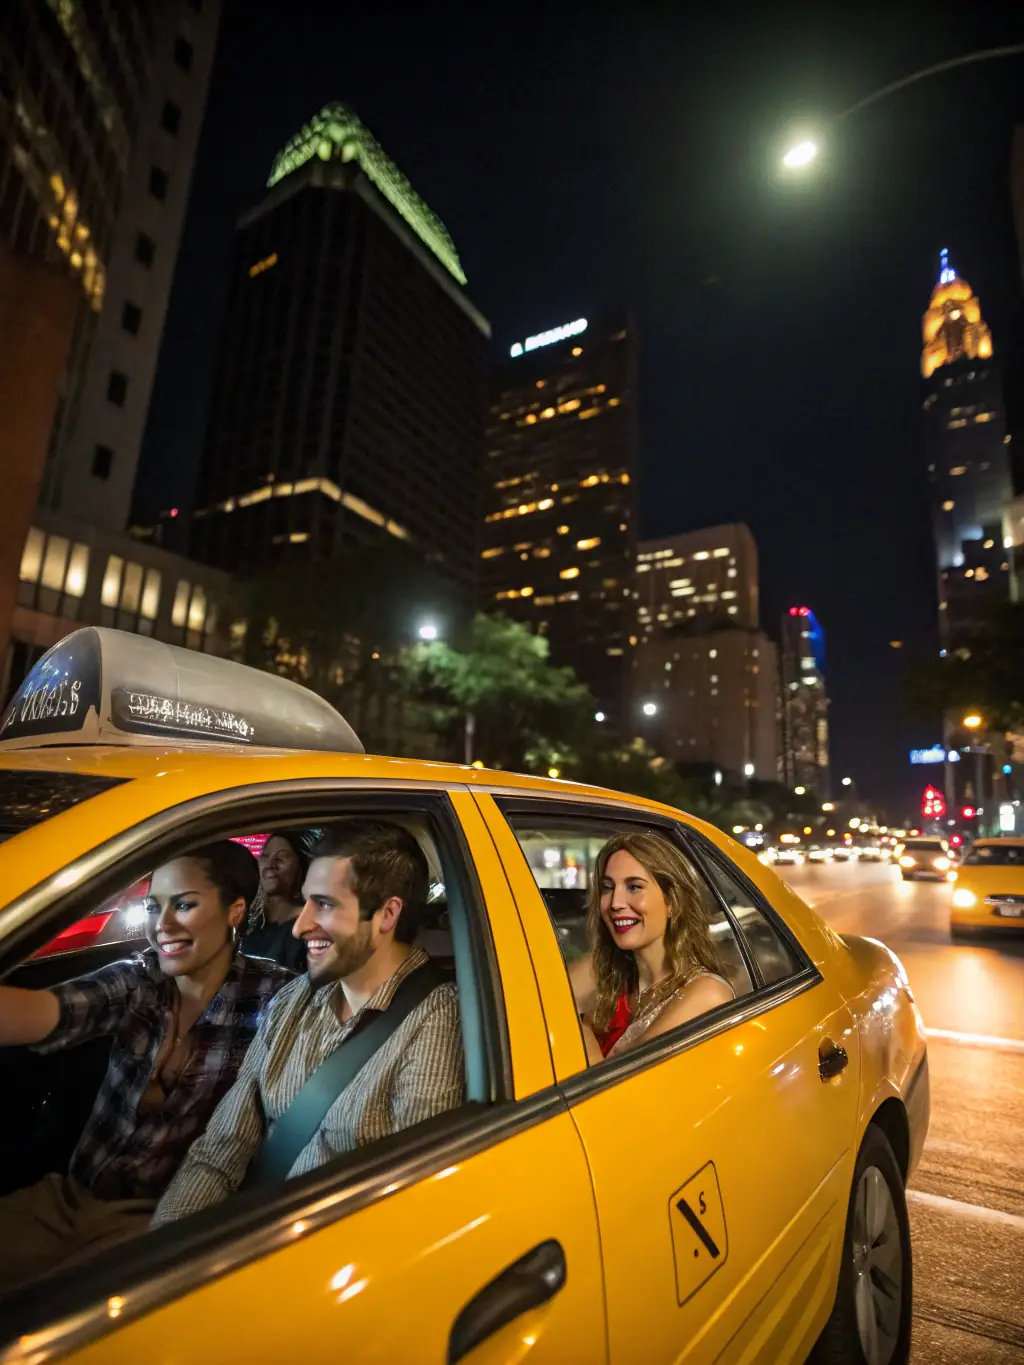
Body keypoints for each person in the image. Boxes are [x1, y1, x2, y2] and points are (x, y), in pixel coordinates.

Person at [0, 841, 293, 1290]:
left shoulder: (274, 995)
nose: (162, 925)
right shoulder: (140, 979)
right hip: (70, 1197)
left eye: (185, 905)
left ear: (234, 911)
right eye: (154, 907)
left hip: (161, 1221)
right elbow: (46, 1012)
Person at [154, 820, 464, 1225]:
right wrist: (170, 1239)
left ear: (387, 914)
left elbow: (413, 1201)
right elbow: (220, 1149)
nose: (300, 926)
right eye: (305, 902)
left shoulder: (436, 1020)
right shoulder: (294, 999)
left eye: (325, 904)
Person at [569, 831, 734, 1062]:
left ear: (672, 900)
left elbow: (620, 1077)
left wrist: (575, 1019)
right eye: (608, 887)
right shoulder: (612, 974)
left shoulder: (707, 993)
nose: (615, 903)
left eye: (634, 887)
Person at [241, 830, 310, 972]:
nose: (270, 864)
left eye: (281, 858)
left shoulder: (307, 925)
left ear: (300, 868)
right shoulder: (247, 920)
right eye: (264, 856)